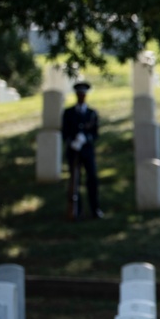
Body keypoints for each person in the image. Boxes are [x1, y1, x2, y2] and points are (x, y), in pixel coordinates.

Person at [61, 81, 103, 219]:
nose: (81, 97)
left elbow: (95, 133)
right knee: (74, 182)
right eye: (79, 94)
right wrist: (72, 142)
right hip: (73, 151)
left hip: (87, 151)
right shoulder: (68, 113)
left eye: (83, 94)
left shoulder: (92, 113)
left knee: (92, 180)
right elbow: (65, 132)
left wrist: (86, 138)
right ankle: (76, 211)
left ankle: (94, 209)